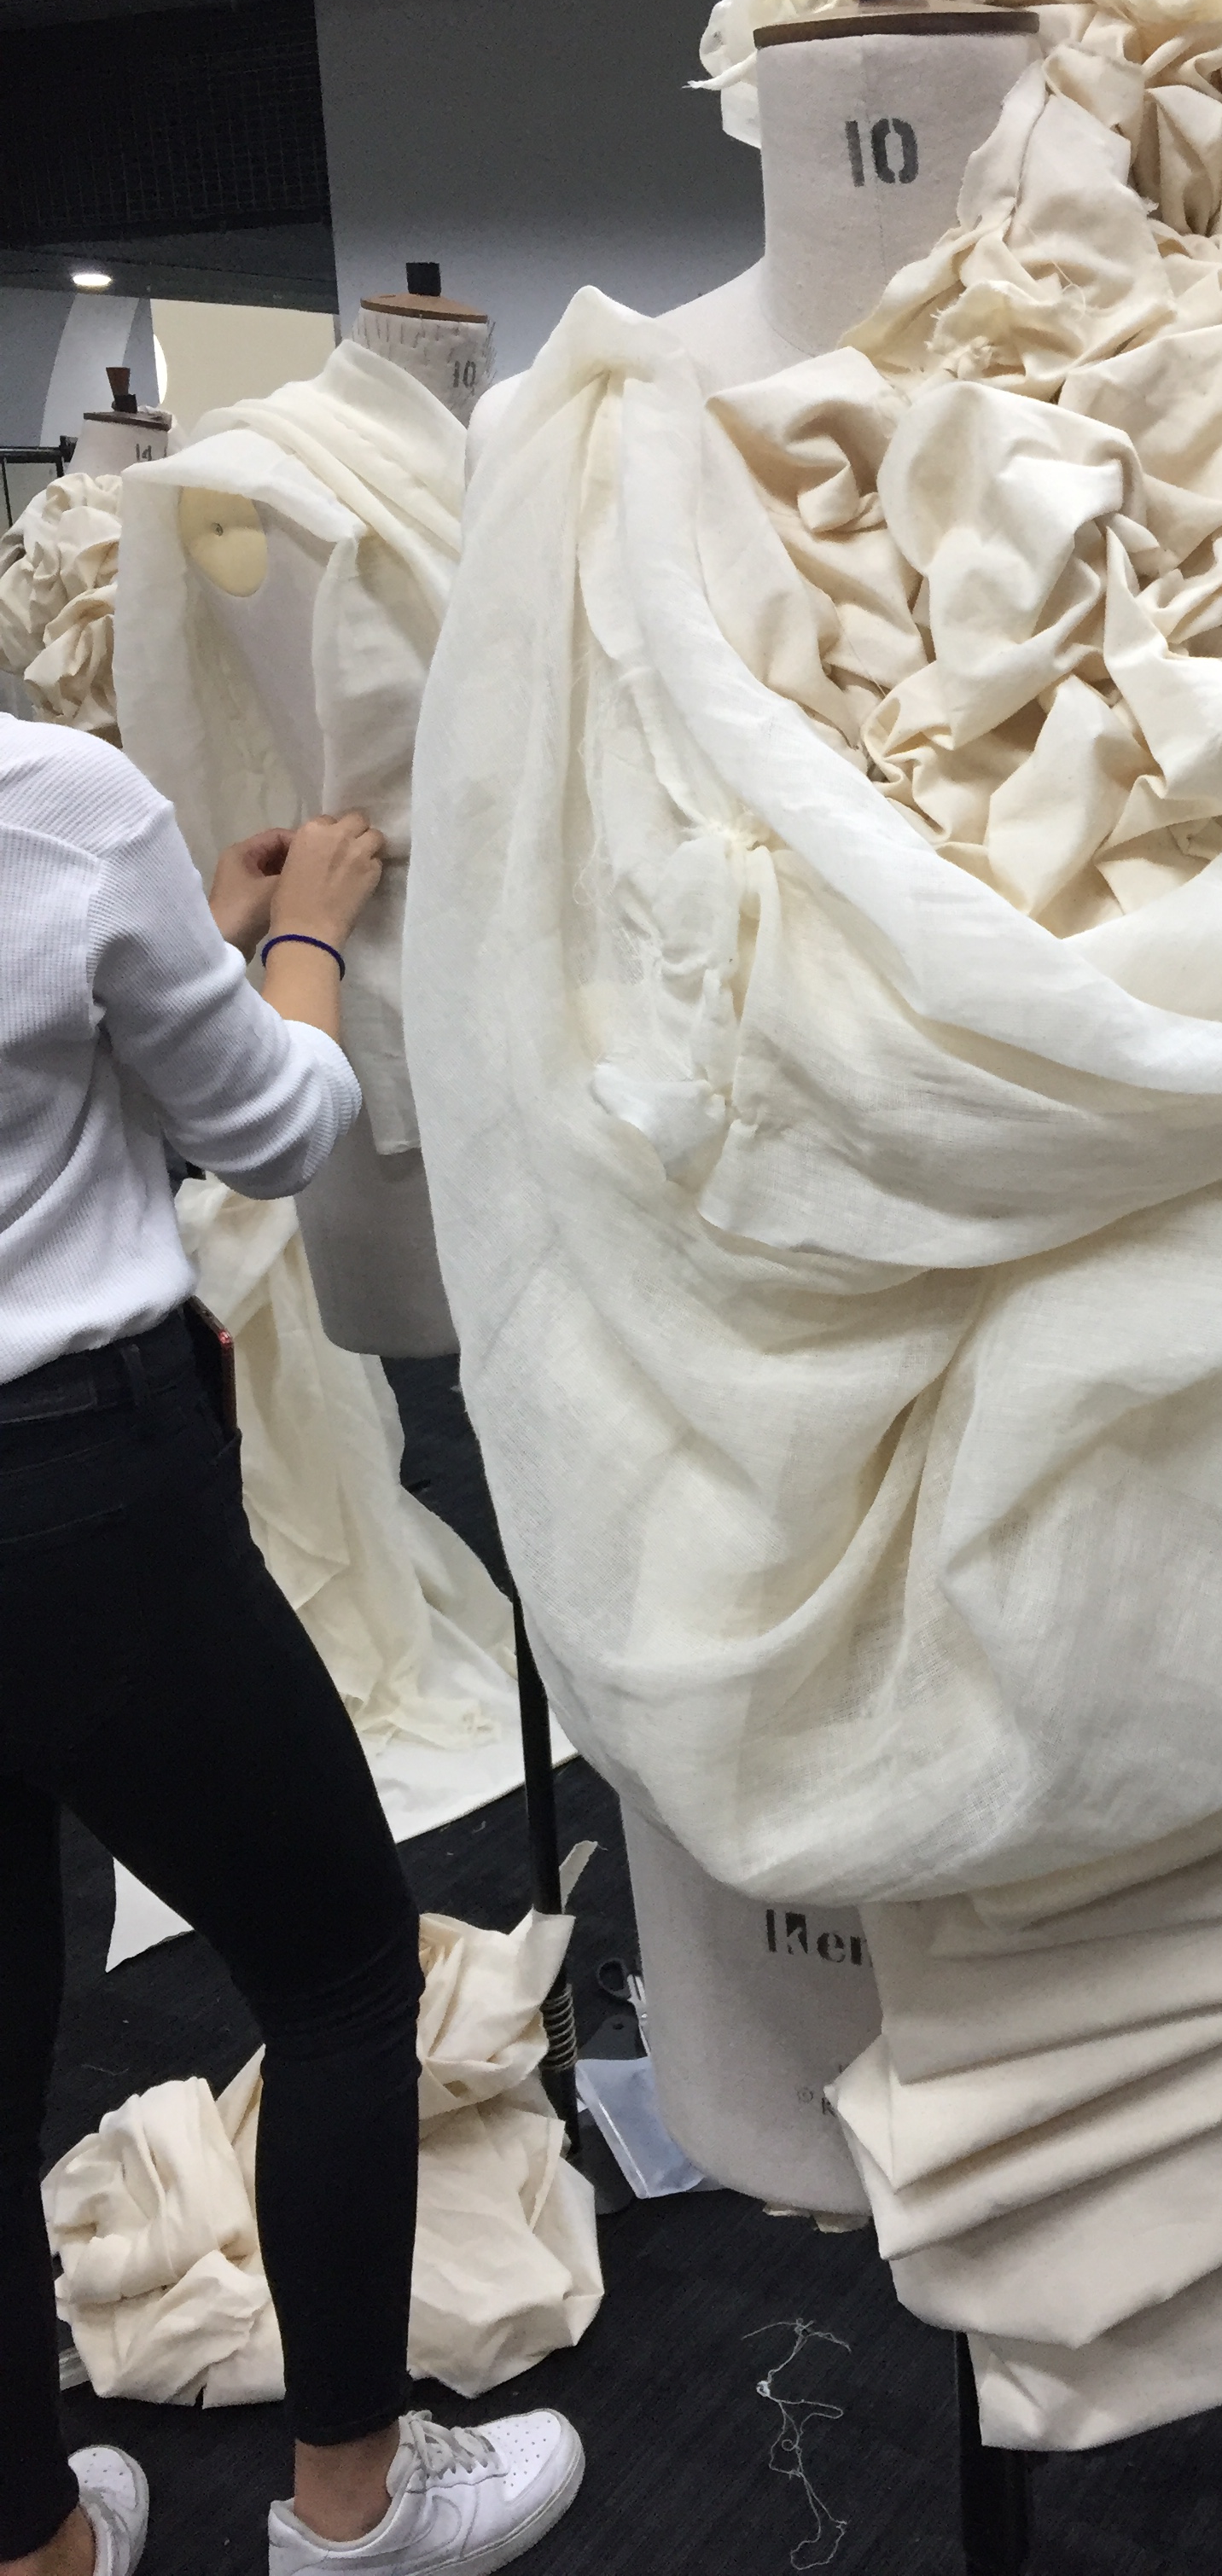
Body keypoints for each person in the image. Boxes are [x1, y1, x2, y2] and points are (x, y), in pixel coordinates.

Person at [0, 710, 585, 2576]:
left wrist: (175, 933)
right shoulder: (55, 804)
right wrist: (306, 937)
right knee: (338, 1974)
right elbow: (270, 1124)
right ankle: (355, 2505)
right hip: (71, 1489)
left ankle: (32, 2541)